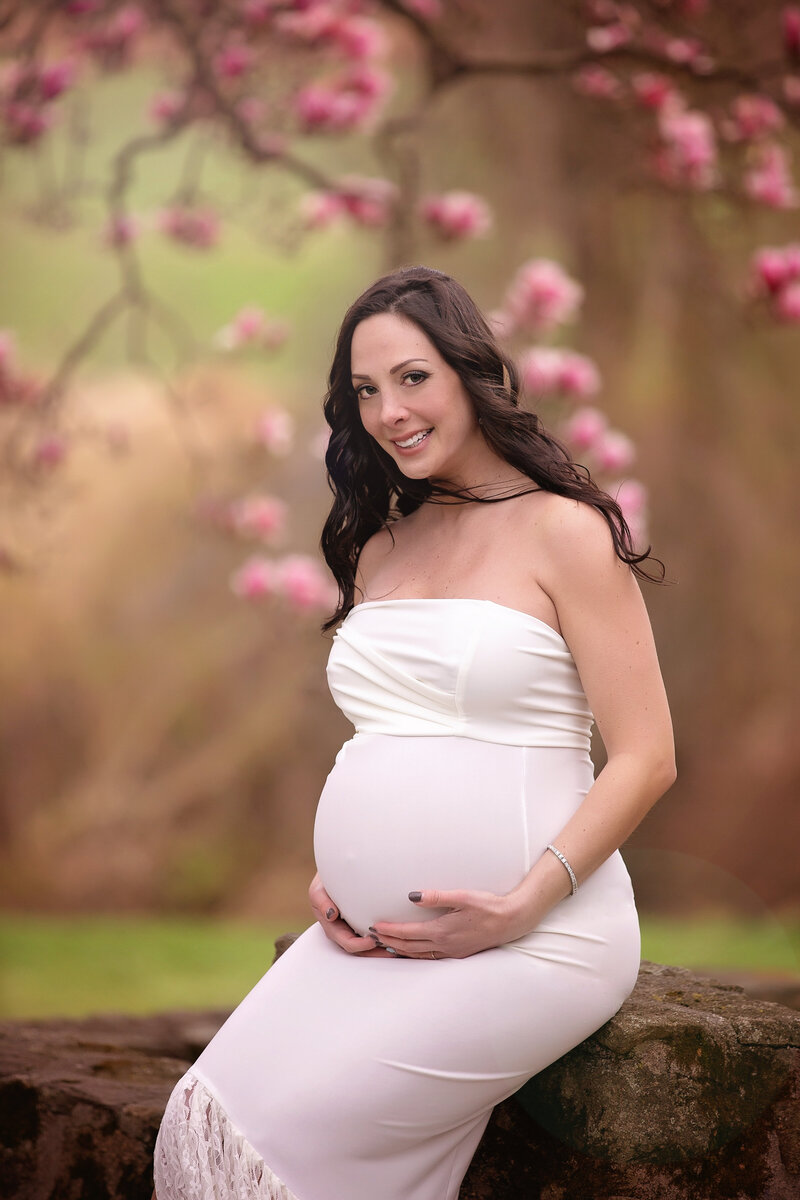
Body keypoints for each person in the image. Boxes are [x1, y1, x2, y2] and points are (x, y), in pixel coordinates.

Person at [153, 265, 676, 1200]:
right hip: (371, 935)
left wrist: (523, 903)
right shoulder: (382, 546)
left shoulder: (566, 533)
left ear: (473, 376)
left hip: (540, 938)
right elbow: (393, 731)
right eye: (364, 391)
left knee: (298, 1143)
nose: (388, 412)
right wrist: (342, 868)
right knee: (198, 1129)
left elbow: (647, 758)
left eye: (412, 378)